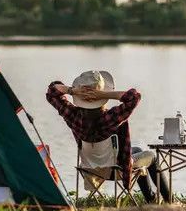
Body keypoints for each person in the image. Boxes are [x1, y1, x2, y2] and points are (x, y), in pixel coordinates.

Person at [46, 70, 172, 203]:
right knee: (152, 157)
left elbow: (52, 92)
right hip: (116, 170)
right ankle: (168, 201)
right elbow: (134, 97)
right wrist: (103, 94)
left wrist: (73, 91)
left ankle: (152, 199)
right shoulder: (111, 117)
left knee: (137, 151)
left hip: (90, 170)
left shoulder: (72, 116)